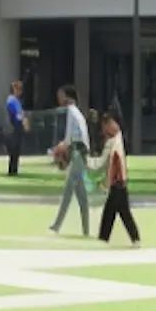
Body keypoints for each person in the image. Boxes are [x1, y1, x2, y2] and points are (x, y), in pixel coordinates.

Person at [49, 85, 91, 236]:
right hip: (80, 154)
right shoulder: (77, 112)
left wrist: (60, 147)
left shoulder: (71, 112)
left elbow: (69, 136)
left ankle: (57, 225)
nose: (59, 98)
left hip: (78, 154)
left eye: (61, 95)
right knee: (81, 195)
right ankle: (86, 229)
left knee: (68, 191)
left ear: (67, 97)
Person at [94, 111, 141, 247]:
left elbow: (113, 163)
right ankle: (104, 237)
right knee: (113, 212)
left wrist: (107, 182)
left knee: (120, 212)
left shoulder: (115, 141)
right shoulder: (116, 139)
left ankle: (133, 238)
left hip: (117, 182)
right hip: (119, 182)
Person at [4, 80, 27, 176]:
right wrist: (23, 120)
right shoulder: (12, 100)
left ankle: (14, 170)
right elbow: (18, 114)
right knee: (14, 149)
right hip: (13, 127)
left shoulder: (17, 100)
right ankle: (12, 170)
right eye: (18, 89)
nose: (20, 91)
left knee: (16, 149)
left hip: (17, 127)